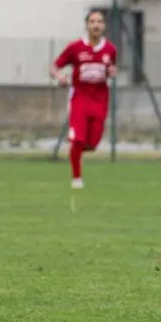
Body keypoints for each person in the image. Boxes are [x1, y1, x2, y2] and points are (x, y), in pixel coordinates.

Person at [49, 10, 117, 189]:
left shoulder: (110, 49)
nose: (96, 25)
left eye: (100, 22)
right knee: (78, 140)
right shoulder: (75, 47)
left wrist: (111, 72)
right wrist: (60, 77)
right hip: (80, 98)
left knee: (92, 143)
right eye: (92, 22)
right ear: (86, 25)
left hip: (100, 100)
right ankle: (77, 178)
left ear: (104, 26)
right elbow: (54, 66)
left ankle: (74, 149)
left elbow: (111, 69)